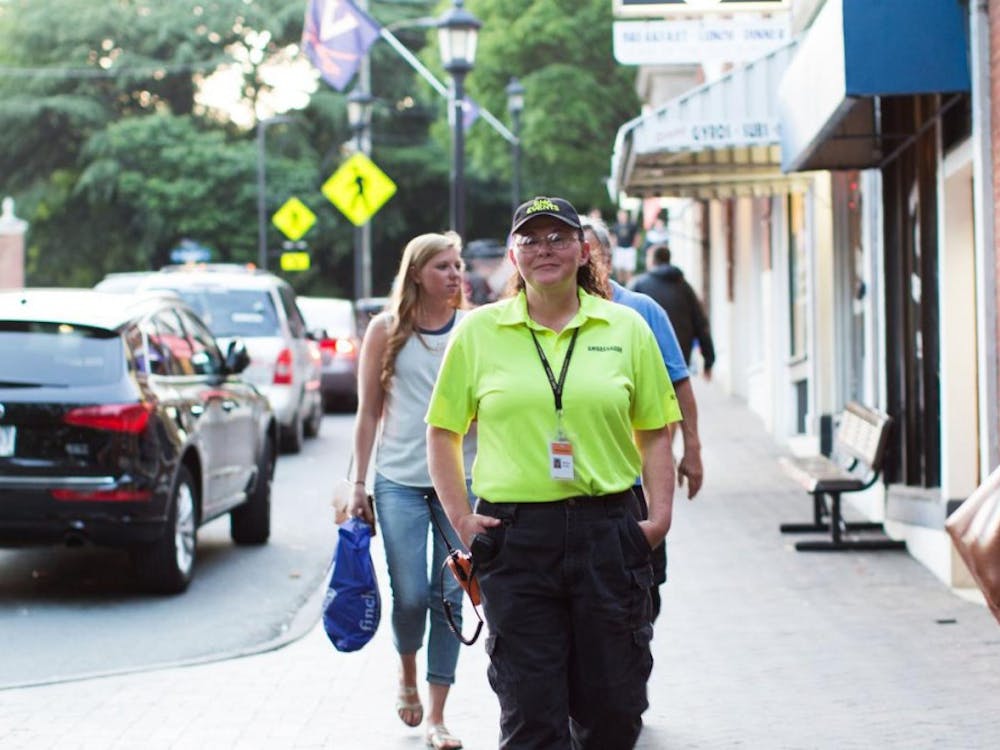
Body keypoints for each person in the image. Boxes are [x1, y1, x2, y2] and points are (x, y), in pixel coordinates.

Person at [426, 196, 681, 749]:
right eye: (531, 239)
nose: (545, 249)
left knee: (614, 708)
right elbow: (442, 432)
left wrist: (658, 519)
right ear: (512, 255)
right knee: (531, 712)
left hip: (608, 531)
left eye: (558, 237)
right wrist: (460, 519)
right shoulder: (478, 333)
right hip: (515, 540)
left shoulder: (626, 327)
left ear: (583, 249)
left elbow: (656, 431)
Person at [347, 232, 473, 750]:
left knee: (450, 596)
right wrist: (358, 482)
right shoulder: (386, 329)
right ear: (417, 273)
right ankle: (405, 671)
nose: (455, 274)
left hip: (459, 484)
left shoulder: (472, 329)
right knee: (412, 595)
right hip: (397, 480)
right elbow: (368, 412)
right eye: (443, 266)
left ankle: (438, 716)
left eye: (458, 265)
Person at [581, 216, 703, 620]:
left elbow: (679, 381)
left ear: (607, 260)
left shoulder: (640, 310)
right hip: (575, 489)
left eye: (589, 255)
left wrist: (693, 449)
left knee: (641, 600)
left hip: (633, 484)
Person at [628, 243, 716, 379]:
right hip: (679, 359)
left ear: (652, 261)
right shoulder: (685, 287)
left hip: (647, 358)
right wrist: (709, 360)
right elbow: (701, 323)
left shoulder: (639, 285)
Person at [610, 208, 640, 282]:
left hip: (629, 249)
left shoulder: (631, 225)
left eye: (623, 215)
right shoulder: (615, 226)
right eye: (620, 215)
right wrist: (613, 245)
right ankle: (621, 284)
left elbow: (637, 236)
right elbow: (613, 237)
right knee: (619, 269)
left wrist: (636, 245)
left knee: (629, 269)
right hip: (619, 249)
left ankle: (629, 285)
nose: (622, 216)